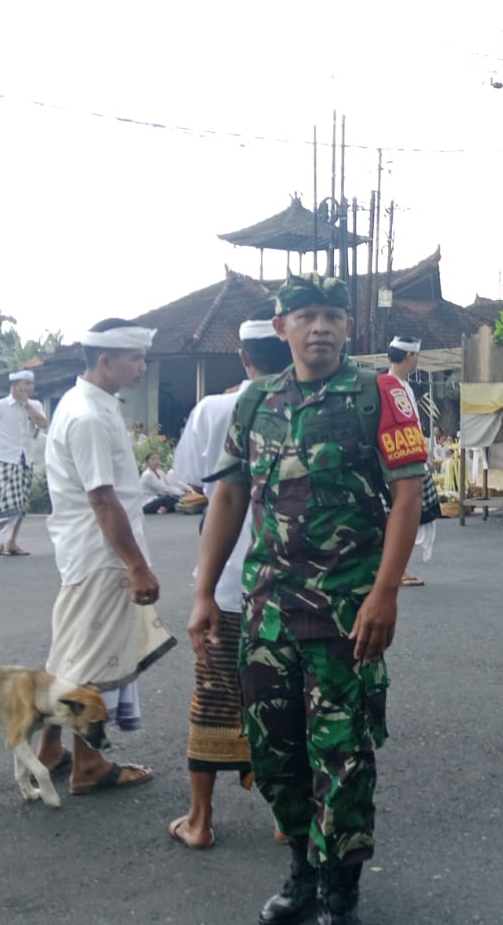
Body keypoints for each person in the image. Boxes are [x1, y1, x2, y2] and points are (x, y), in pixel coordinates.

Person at [188, 272, 426, 925]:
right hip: (268, 614)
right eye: (305, 316)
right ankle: (302, 866)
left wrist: (385, 593)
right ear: (282, 327)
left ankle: (339, 890)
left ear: (348, 326)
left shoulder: (380, 394)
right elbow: (229, 496)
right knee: (275, 755)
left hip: (346, 617)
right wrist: (204, 591)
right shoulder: (254, 403)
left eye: (331, 315)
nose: (320, 326)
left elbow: (408, 495)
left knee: (343, 757)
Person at [165, 312, 290, 851]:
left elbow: (192, 481)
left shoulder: (214, 408)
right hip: (286, 584)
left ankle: (200, 819)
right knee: (283, 701)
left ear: (243, 357)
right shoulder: (303, 405)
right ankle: (286, 816)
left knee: (215, 697)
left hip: (224, 577)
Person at [35, 320, 173, 794]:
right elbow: (102, 499)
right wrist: (137, 566)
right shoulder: (89, 415)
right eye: (136, 358)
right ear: (105, 361)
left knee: (70, 655)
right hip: (101, 556)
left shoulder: (86, 404)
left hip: (87, 552)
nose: (142, 367)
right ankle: (88, 764)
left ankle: (50, 748)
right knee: (91, 662)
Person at [383, 335, 443, 588]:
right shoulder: (386, 385)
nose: (418, 360)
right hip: (397, 462)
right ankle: (396, 570)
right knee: (400, 516)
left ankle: (396, 568)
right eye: (417, 355)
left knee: (407, 515)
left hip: (411, 458)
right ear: (409, 356)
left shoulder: (403, 386)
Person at [0, 371, 48, 555]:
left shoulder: (35, 405)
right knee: (6, 501)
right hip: (5, 460)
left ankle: (11, 542)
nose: (30, 387)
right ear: (14, 386)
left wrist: (26, 405)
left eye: (31, 383)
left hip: (26, 460)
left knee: (20, 504)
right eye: (26, 383)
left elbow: (43, 424)